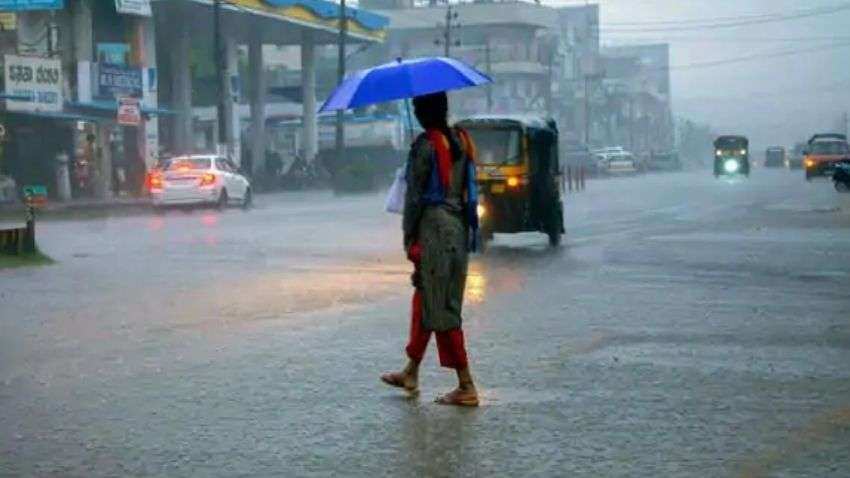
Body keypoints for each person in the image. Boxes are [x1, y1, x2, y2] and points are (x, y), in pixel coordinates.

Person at [380, 92, 480, 407]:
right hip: (458, 228)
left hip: (434, 230)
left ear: (424, 112)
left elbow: (413, 197)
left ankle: (466, 384)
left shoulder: (424, 146)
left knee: (442, 307)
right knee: (427, 298)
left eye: (416, 107)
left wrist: (409, 236)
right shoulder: (463, 140)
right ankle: (411, 370)